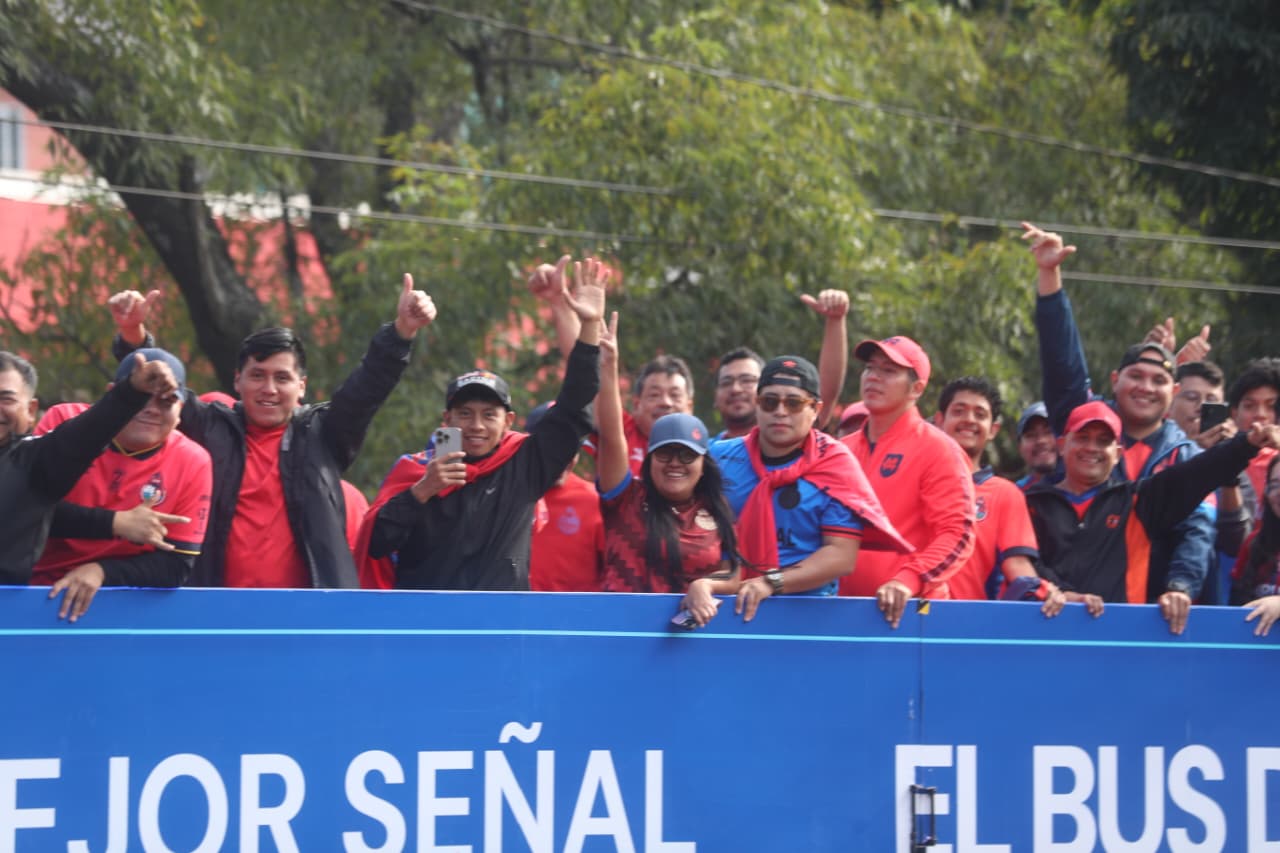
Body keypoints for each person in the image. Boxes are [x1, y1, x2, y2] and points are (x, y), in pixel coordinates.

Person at [107, 274, 437, 587]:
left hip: (308, 617)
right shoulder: (210, 426)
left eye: (282, 378)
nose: (269, 388)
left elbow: (367, 388)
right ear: (237, 380)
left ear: (301, 387)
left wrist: (402, 332)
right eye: (257, 375)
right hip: (213, 610)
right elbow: (160, 386)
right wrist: (134, 335)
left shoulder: (323, 433)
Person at [361, 257, 604, 590]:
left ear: (509, 422)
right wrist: (423, 491)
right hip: (428, 628)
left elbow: (576, 404)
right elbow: (374, 544)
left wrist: (589, 327)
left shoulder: (525, 464)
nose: (476, 425)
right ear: (446, 420)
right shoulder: (416, 470)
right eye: (465, 413)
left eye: (489, 415)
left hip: (499, 629)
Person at [1024, 221, 1214, 606]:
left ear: (1173, 392)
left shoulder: (1184, 456)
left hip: (1152, 619)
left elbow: (1198, 531)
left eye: (1158, 380)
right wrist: (1050, 276)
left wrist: (1179, 588)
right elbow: (1062, 363)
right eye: (1135, 376)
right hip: (1066, 607)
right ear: (1115, 379)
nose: (1145, 387)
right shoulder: (1086, 424)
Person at [1026, 401, 1280, 634]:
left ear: (1117, 452)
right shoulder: (1031, 504)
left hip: (1121, 642)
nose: (1092, 448)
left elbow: (1199, 472)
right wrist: (1063, 593)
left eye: (1103, 441)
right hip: (1041, 632)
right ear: (1062, 445)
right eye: (1082, 438)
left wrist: (1247, 443)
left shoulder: (1139, 501)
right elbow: (1022, 566)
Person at [706, 354, 910, 624]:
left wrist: (771, 582)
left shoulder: (835, 464)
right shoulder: (720, 458)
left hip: (810, 615)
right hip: (725, 610)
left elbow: (841, 555)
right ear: (756, 405)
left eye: (794, 403)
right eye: (769, 402)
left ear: (815, 409)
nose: (780, 411)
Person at [31, 349, 212, 621]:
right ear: (114, 393)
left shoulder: (193, 460)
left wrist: (102, 571)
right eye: (141, 396)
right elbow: (24, 511)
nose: (151, 408)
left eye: (166, 401)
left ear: (181, 409)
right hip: (29, 588)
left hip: (121, 600)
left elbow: (176, 564)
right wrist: (116, 523)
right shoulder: (64, 421)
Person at [595, 309, 739, 597]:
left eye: (687, 455)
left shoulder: (717, 508)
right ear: (648, 461)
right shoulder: (625, 500)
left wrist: (705, 585)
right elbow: (612, 436)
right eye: (665, 454)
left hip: (691, 635)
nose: (675, 463)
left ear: (703, 464)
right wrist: (608, 367)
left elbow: (734, 573)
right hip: (620, 630)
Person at [0, 350, 179, 581]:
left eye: (6, 399)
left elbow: (83, 437)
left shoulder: (33, 462)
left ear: (31, 410)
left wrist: (132, 393)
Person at [840, 336, 975, 628]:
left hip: (912, 615)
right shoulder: (842, 450)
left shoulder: (939, 450)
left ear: (917, 388)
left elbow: (957, 534)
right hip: (839, 611)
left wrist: (907, 580)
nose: (873, 377)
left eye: (888, 370)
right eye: (870, 368)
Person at [933, 377, 1064, 616]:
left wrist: (1046, 591)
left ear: (993, 429)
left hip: (968, 625)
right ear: (940, 420)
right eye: (959, 411)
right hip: (903, 618)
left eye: (980, 414)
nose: (969, 420)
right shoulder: (915, 481)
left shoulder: (1005, 494)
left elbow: (1018, 567)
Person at [526, 402, 604, 592]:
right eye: (553, 447)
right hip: (514, 615)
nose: (563, 457)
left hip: (576, 617)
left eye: (572, 447)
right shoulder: (507, 492)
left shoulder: (595, 501)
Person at [712, 347, 765, 441]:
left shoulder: (787, 449)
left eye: (747, 380)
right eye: (726, 382)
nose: (735, 389)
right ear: (715, 397)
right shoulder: (703, 452)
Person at [1014, 401, 1057, 491]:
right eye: (1031, 435)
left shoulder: (1084, 484)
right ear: (1020, 448)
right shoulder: (1016, 494)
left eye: (1048, 432)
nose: (1041, 441)